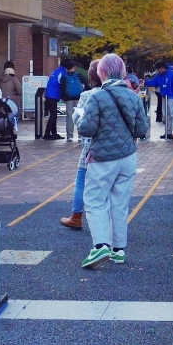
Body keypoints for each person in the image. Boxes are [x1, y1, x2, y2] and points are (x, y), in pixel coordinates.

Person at [76, 53, 148, 269]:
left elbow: (87, 129)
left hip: (103, 158)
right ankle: (118, 249)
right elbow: (141, 130)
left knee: (95, 200)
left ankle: (100, 246)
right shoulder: (134, 97)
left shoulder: (97, 97)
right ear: (123, 72)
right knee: (120, 202)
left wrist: (79, 118)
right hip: (128, 157)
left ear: (102, 72)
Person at [61, 60, 103, 230]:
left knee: (81, 181)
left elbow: (78, 120)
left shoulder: (88, 95)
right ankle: (109, 221)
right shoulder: (119, 94)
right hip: (115, 149)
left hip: (90, 147)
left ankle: (77, 216)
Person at [145, 60, 173, 139]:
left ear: (162, 68)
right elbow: (154, 83)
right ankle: (168, 132)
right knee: (166, 115)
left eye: (158, 69)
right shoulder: (159, 75)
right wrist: (145, 82)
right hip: (164, 97)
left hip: (172, 97)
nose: (158, 71)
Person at [42, 58, 73, 141]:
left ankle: (54, 133)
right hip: (53, 95)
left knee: (53, 115)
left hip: (49, 94)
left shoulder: (56, 70)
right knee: (53, 115)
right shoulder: (62, 72)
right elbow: (62, 84)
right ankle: (47, 134)